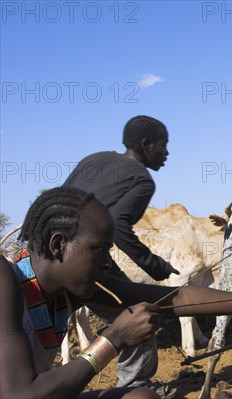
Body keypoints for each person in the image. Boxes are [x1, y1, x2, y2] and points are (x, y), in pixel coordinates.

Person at [0, 187, 232, 399]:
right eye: (99, 250)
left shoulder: (71, 288)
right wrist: (113, 340)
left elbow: (176, 299)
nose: (107, 263)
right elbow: (19, 395)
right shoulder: (5, 279)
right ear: (59, 245)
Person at [62, 115, 179, 396]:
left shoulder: (95, 159)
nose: (167, 153)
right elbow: (119, 225)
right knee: (139, 314)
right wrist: (156, 265)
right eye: (163, 146)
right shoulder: (142, 179)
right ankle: (134, 389)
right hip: (80, 260)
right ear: (146, 145)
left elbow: (59, 199)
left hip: (42, 251)